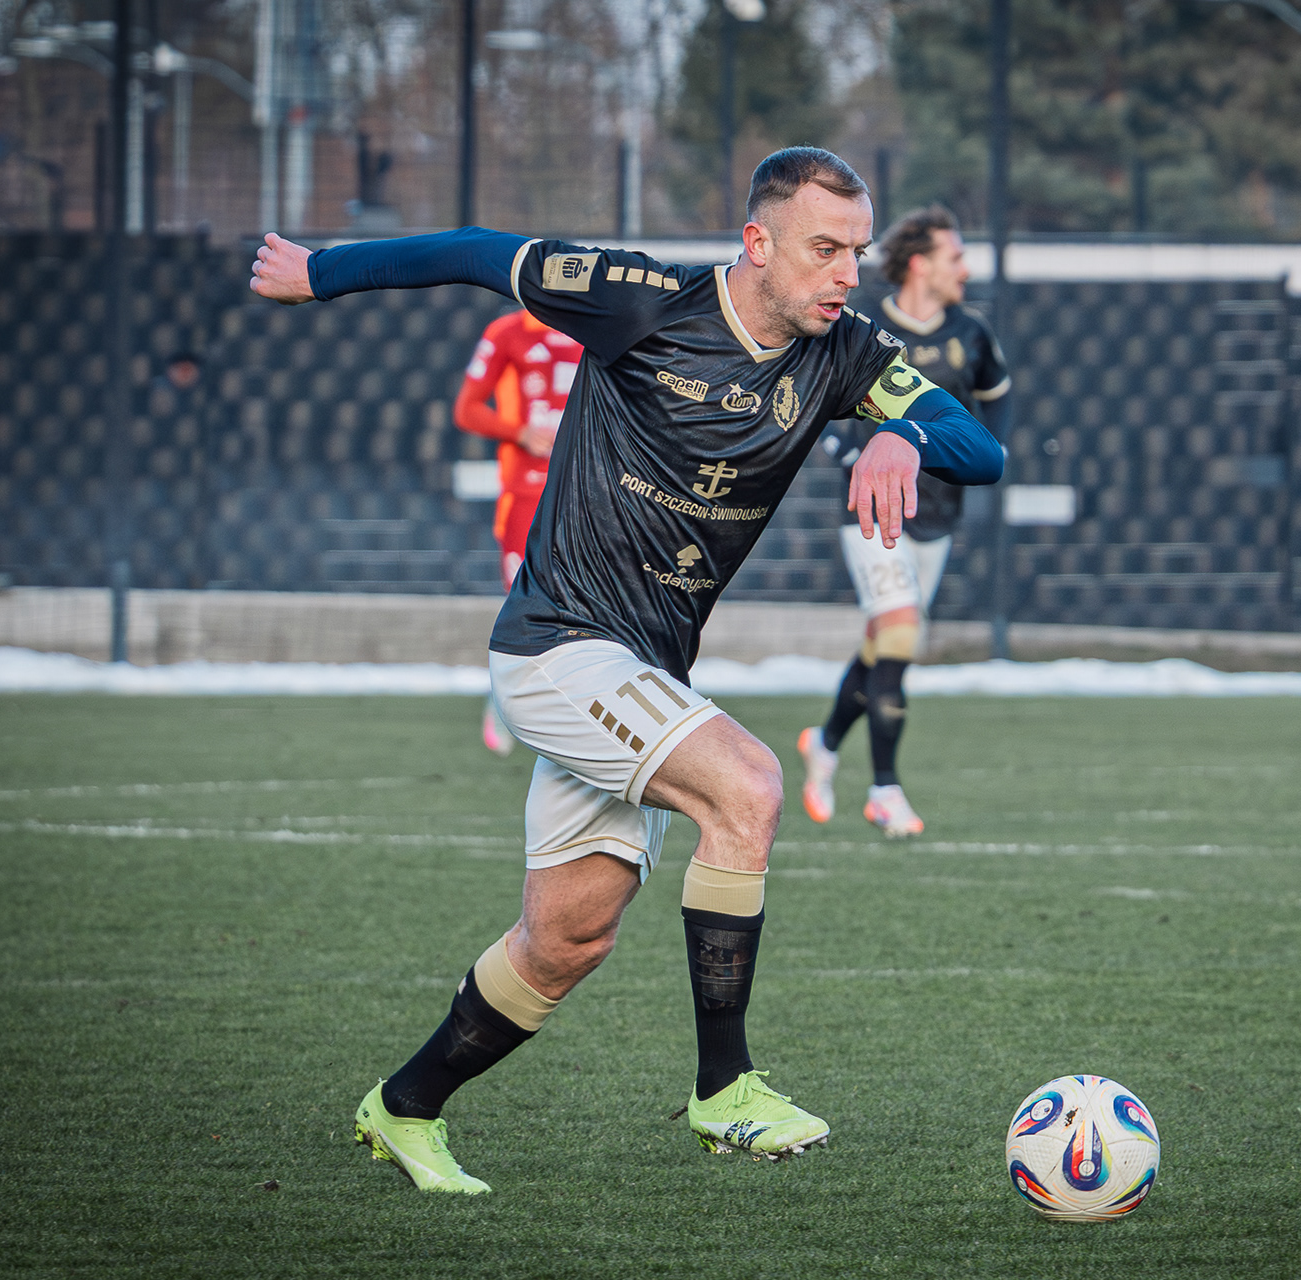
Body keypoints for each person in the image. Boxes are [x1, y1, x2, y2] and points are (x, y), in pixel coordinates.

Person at [248, 146, 1003, 1193]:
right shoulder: (641, 299)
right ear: (758, 242)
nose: (847, 273)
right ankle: (725, 1089)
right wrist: (319, 273)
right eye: (825, 248)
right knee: (749, 784)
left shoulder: (846, 353)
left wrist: (905, 436)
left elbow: (982, 447)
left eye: (858, 252)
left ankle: (404, 1106)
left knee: (566, 940)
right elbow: (477, 251)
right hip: (558, 644)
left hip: (644, 673)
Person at [798, 206, 1010, 838]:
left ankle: (824, 742)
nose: (965, 269)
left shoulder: (972, 334)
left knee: (884, 645)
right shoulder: (861, 327)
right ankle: (885, 790)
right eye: (955, 257)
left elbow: (995, 408)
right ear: (920, 264)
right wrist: (852, 456)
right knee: (899, 635)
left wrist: (985, 453)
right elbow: (810, 406)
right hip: (870, 510)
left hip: (937, 514)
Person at [452, 309, 585, 755]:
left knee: (586, 604)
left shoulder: (592, 322)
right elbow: (467, 409)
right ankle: (503, 699)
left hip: (586, 489)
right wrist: (520, 432)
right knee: (526, 603)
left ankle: (571, 710)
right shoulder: (509, 333)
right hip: (526, 491)